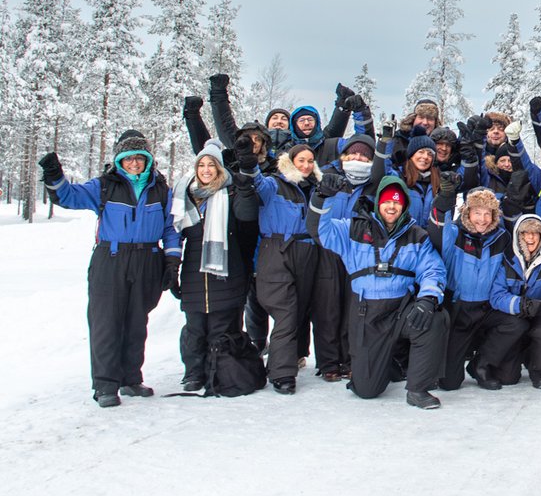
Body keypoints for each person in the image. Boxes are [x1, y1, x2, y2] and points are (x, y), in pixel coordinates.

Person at [40, 130, 182, 407]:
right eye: (128, 159)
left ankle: (130, 379)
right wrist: (53, 174)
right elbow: (68, 196)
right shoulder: (104, 186)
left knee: (137, 322)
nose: (134, 164)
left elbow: (170, 230)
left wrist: (172, 261)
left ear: (148, 159)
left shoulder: (161, 189)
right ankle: (105, 385)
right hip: (111, 258)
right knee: (106, 323)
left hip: (148, 258)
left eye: (139, 158)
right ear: (119, 160)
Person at [308, 174, 448, 408]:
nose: (391, 206)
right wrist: (322, 197)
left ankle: (418, 389)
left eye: (397, 201)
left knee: (435, 318)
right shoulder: (353, 229)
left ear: (403, 205)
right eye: (386, 201)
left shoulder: (417, 235)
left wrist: (428, 298)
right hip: (367, 313)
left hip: (401, 309)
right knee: (367, 390)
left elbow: (433, 269)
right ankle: (385, 366)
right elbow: (320, 231)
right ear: (378, 203)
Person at [236, 140, 344, 390]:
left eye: (310, 161)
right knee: (285, 312)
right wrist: (248, 162)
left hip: (309, 253)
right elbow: (256, 182)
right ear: (290, 162)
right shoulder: (275, 184)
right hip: (277, 250)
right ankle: (281, 374)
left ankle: (288, 360)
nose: (306, 165)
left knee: (298, 312)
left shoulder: (317, 187)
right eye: (301, 160)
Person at [169, 141, 255, 391]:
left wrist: (246, 191)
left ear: (219, 168)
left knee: (222, 325)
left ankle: (219, 369)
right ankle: (194, 372)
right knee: (194, 327)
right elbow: (174, 230)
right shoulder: (185, 195)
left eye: (211, 165)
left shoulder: (230, 193)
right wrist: (173, 266)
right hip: (194, 269)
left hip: (227, 269)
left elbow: (247, 218)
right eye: (202, 165)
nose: (206, 170)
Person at [428, 187, 518, 391]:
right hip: (459, 308)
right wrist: (444, 201)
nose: (483, 219)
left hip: (487, 307)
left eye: (488, 213)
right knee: (449, 383)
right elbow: (438, 227)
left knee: (515, 323)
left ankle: (481, 364)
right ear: (467, 212)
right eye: (478, 212)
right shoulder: (455, 233)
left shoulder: (502, 237)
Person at [490, 214, 541, 388]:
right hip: (513, 314)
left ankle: (539, 370)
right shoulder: (507, 259)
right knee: (507, 379)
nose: (531, 237)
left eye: (536, 233)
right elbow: (496, 296)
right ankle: (515, 358)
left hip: (538, 310)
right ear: (519, 235)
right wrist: (521, 305)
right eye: (526, 233)